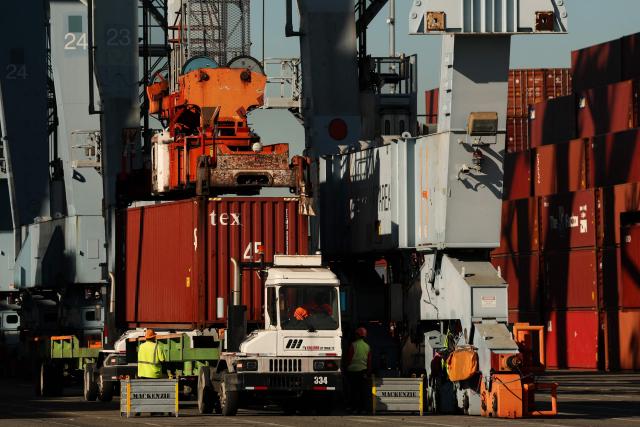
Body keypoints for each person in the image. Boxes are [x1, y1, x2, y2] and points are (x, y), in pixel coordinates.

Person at [346, 327, 371, 414]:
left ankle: (354, 408)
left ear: (357, 335)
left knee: (353, 391)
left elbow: (349, 358)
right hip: (363, 371)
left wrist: (346, 367)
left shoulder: (353, 345)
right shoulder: (367, 346)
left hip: (353, 372)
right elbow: (369, 361)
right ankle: (363, 409)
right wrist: (367, 372)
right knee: (362, 391)